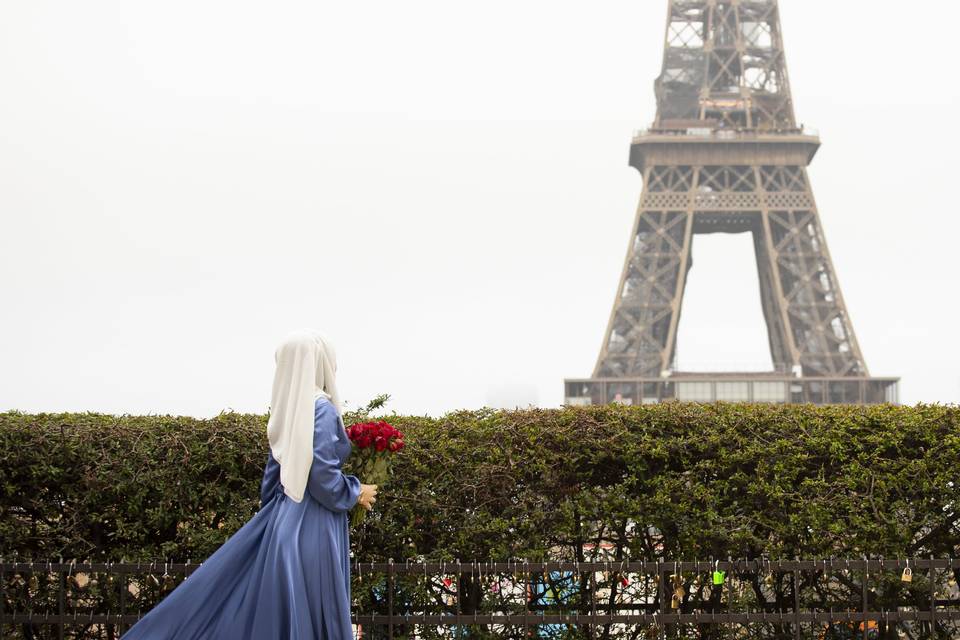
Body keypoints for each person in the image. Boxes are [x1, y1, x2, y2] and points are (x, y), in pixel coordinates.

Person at [121, 329, 378, 639]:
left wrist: (271, 524)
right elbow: (322, 475)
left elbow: (273, 477)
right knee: (314, 609)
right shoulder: (321, 408)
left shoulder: (287, 410)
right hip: (314, 526)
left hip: (283, 523)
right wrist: (355, 491)